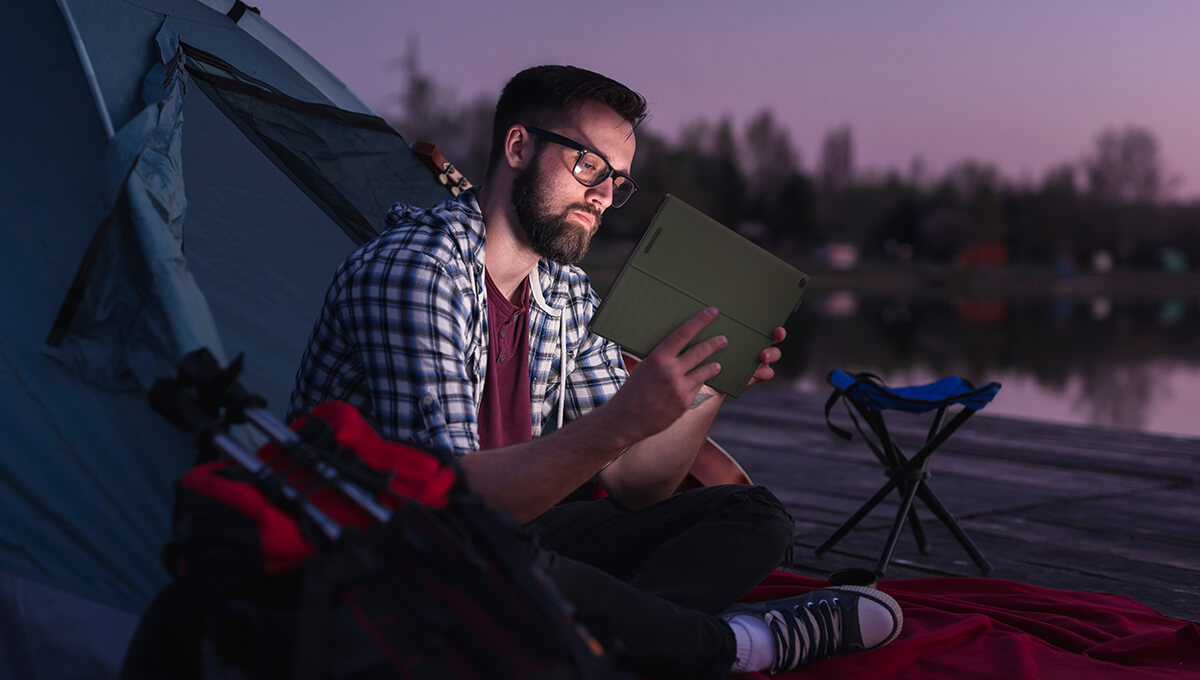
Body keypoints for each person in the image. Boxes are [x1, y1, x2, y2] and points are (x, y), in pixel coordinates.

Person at [290, 65, 901, 678]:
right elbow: (452, 508)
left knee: (752, 516)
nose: (604, 195)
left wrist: (708, 383)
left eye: (617, 181)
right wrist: (617, 422)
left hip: (517, 535)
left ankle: (592, 644)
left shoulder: (566, 291)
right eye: (589, 166)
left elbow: (639, 485)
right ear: (519, 147)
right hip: (395, 550)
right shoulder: (417, 272)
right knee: (500, 553)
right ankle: (735, 646)